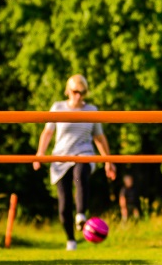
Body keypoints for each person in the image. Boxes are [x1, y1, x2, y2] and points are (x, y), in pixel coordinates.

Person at [33, 74, 116, 250]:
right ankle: (71, 239)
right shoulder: (57, 107)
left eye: (82, 92)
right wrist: (40, 154)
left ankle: (81, 214)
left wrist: (108, 161)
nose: (78, 96)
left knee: (80, 175)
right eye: (75, 91)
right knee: (64, 203)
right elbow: (47, 133)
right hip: (61, 157)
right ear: (68, 91)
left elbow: (99, 137)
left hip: (83, 154)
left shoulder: (92, 110)